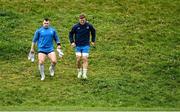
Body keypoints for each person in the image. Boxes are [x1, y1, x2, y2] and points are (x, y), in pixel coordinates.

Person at [69, 14, 96, 79]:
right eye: (81, 20)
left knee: (84, 58)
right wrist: (72, 42)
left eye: (83, 20)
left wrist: (92, 41)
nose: (82, 21)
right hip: (78, 45)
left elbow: (93, 32)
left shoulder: (89, 26)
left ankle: (84, 74)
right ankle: (79, 72)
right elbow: (71, 34)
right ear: (79, 20)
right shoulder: (75, 26)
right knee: (78, 59)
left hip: (86, 45)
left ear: (85, 19)